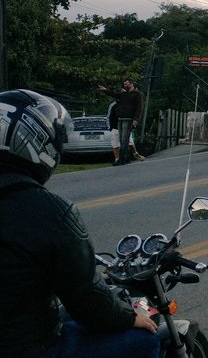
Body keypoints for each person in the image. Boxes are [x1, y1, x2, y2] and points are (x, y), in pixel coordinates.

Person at [0, 89, 160, 358]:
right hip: (27, 348)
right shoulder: (50, 211)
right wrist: (129, 317)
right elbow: (88, 300)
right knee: (144, 339)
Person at [98, 79, 143, 166]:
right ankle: (124, 158)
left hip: (128, 119)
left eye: (127, 84)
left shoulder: (137, 94)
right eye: (124, 84)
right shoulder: (123, 94)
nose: (125, 86)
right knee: (122, 141)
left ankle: (122, 159)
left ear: (131, 84)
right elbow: (113, 94)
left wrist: (136, 119)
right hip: (120, 119)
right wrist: (105, 90)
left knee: (124, 139)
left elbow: (139, 108)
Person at [107, 102, 144, 166]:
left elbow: (133, 114)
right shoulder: (113, 105)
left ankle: (135, 154)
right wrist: (110, 127)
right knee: (115, 144)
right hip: (115, 127)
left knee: (130, 141)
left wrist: (132, 125)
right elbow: (109, 116)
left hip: (125, 127)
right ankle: (117, 159)